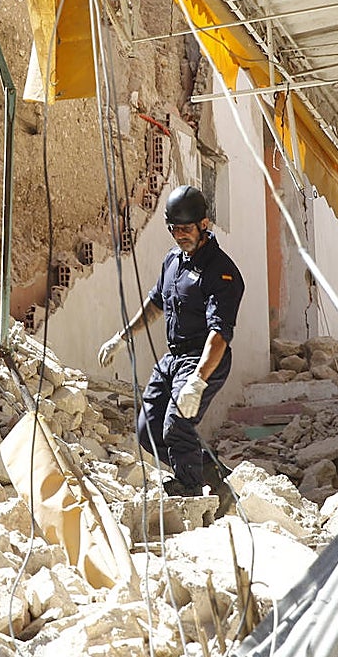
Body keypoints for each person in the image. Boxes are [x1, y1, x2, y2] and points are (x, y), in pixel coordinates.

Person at [97, 184, 244, 503]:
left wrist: (198, 380)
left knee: (176, 426)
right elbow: (155, 304)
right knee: (147, 432)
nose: (180, 235)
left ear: (204, 224)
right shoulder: (173, 261)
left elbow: (219, 334)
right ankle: (210, 472)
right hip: (173, 358)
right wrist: (122, 337)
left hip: (203, 359)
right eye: (174, 229)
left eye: (186, 229)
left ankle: (190, 487)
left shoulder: (221, 272)